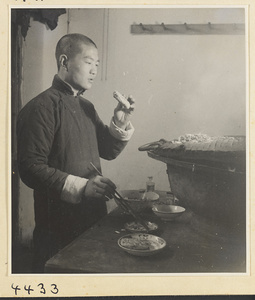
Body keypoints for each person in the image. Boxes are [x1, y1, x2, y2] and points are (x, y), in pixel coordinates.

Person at [16, 33, 135, 273]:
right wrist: (83, 187)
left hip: (92, 217)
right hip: (57, 226)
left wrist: (119, 123)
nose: (94, 70)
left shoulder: (86, 106)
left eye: (97, 65)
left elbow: (107, 151)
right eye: (88, 62)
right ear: (64, 61)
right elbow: (30, 167)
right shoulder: (40, 107)